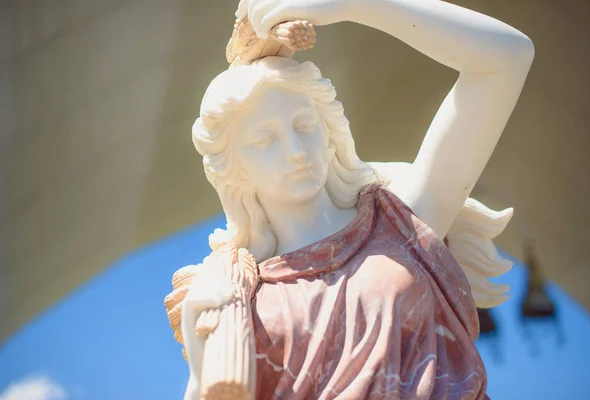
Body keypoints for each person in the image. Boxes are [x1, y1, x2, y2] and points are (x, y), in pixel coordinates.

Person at [172, 0, 534, 398]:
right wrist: (202, 334)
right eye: (265, 139)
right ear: (235, 168)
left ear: (329, 133)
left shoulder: (401, 221)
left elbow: (507, 57)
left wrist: (353, 4)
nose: (295, 149)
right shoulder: (240, 294)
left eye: (304, 125)